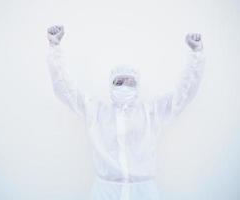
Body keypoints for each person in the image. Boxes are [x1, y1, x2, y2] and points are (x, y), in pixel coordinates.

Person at [46, 25, 205, 200]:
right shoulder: (97, 111)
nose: (124, 86)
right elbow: (65, 90)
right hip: (105, 192)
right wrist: (55, 49)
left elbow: (183, 94)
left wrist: (196, 55)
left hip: (144, 192)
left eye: (130, 82)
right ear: (111, 85)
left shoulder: (150, 112)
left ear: (137, 86)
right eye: (119, 82)